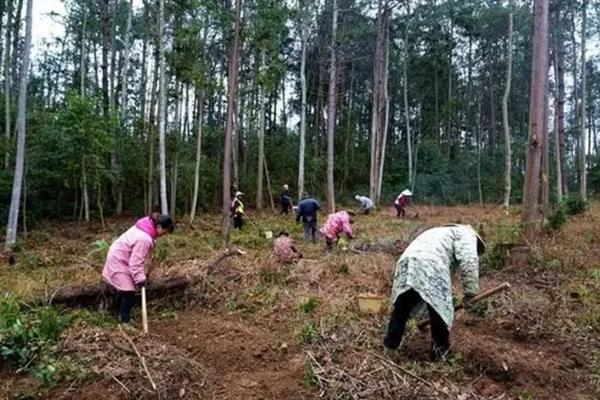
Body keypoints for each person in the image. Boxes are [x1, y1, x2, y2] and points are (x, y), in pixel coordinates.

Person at [383, 224, 485, 361]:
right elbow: (469, 260)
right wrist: (470, 293)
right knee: (439, 311)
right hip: (431, 263)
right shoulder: (467, 234)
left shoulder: (440, 231)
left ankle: (390, 348)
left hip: (407, 261)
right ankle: (440, 356)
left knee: (402, 307)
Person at [102, 213, 175, 324]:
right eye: (164, 232)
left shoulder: (147, 227)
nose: (163, 235)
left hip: (123, 257)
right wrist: (140, 279)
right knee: (128, 291)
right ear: (159, 227)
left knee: (125, 288)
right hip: (119, 260)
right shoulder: (144, 238)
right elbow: (135, 263)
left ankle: (119, 314)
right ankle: (125, 321)